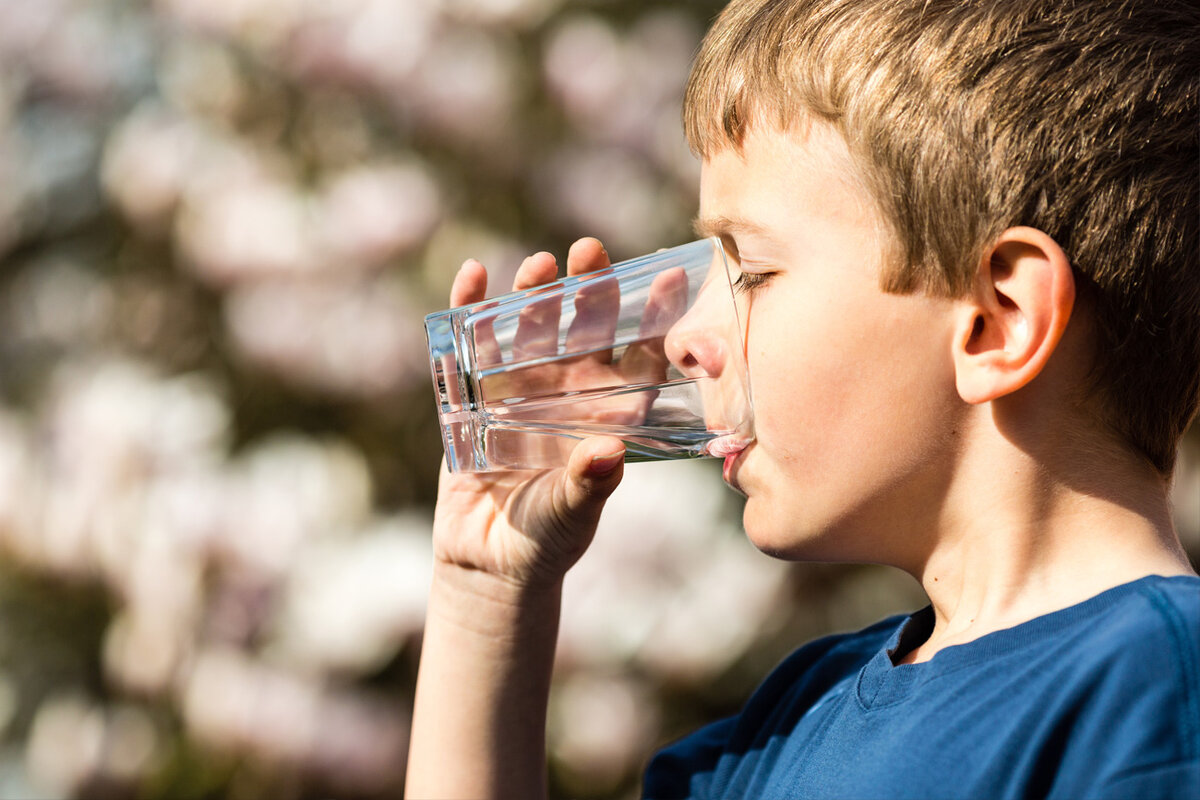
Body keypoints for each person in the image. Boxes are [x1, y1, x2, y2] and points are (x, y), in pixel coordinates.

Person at [404, 0, 1200, 797]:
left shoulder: (1154, 693)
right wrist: (486, 594)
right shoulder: (788, 718)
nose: (683, 337)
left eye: (749, 271)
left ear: (999, 320)